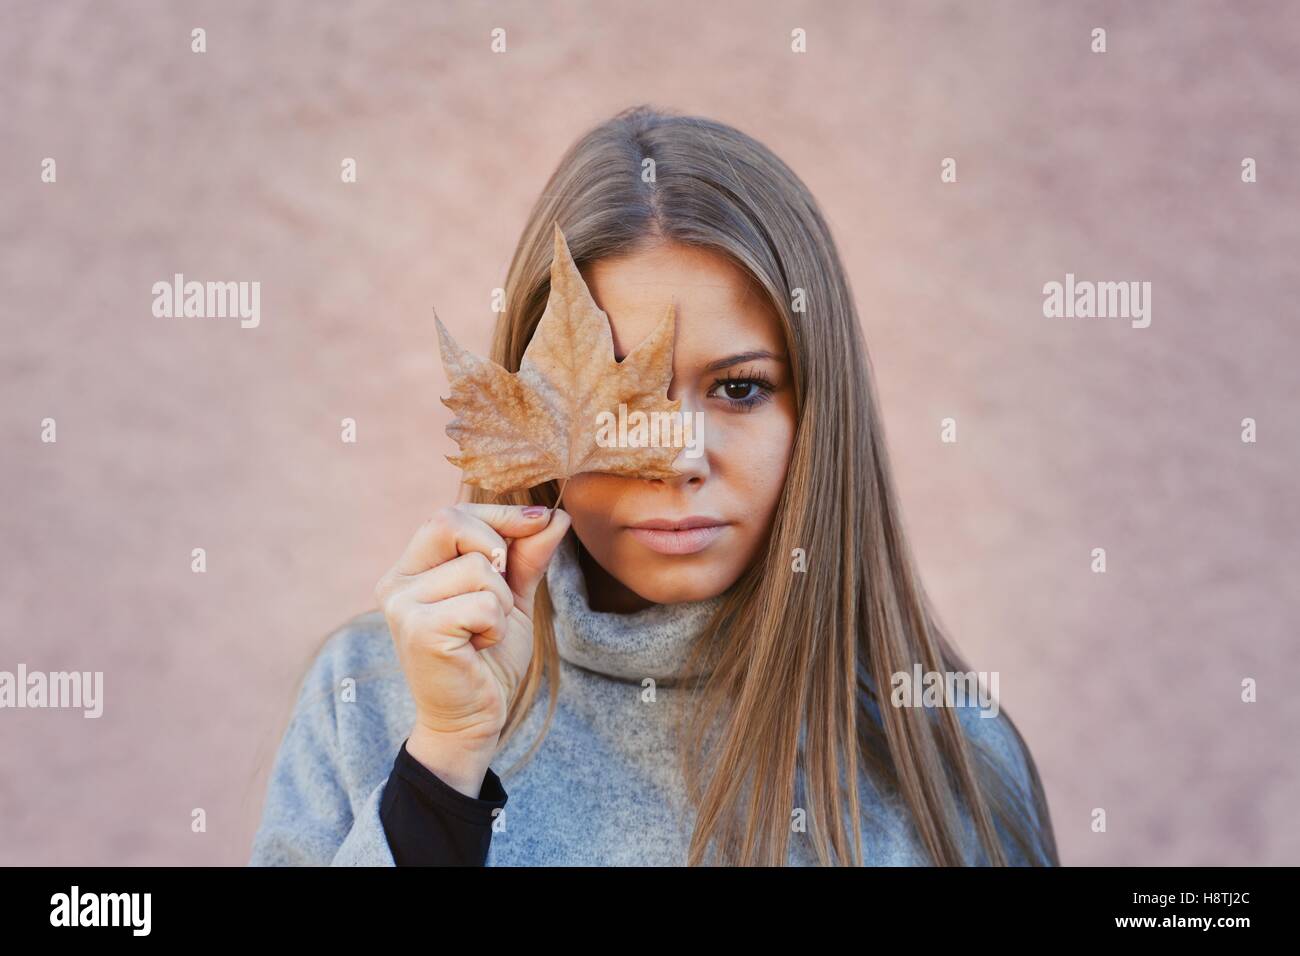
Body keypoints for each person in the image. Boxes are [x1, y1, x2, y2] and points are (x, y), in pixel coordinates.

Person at [248, 104, 1058, 866]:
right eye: (626, 399)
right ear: (534, 412)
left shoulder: (946, 751)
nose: (677, 459)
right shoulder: (372, 696)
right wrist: (441, 771)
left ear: (818, 411)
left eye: (739, 389)